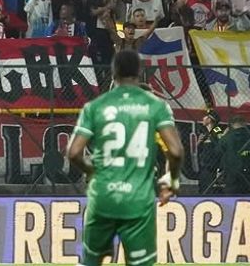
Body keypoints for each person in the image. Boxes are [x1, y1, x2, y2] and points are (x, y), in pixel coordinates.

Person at [66, 49, 183, 266]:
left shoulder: (95, 107)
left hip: (103, 197)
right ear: (139, 72)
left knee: (90, 261)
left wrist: (91, 170)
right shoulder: (156, 106)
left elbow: (73, 153)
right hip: (138, 201)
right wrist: (172, 180)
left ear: (113, 72)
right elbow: (175, 151)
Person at [219, 116, 250, 195]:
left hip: (231, 173)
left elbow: (218, 151)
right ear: (245, 124)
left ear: (232, 125)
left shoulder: (226, 137)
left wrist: (222, 136)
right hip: (249, 172)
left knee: (231, 195)